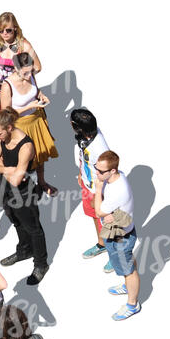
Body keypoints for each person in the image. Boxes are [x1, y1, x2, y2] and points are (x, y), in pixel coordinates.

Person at [0, 108, 49, 285]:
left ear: (9, 127)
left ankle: (41, 264)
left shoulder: (26, 146)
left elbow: (16, 180)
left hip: (25, 191)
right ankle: (24, 250)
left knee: (34, 228)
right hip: (7, 187)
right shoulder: (2, 137)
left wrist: (0, 167)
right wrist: (6, 169)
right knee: (16, 220)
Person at [0, 52, 58, 196]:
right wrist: (29, 107)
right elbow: (6, 113)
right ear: (15, 68)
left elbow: (36, 91)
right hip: (19, 126)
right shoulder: (7, 86)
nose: (29, 75)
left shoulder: (30, 75)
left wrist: (41, 95)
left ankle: (42, 182)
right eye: (25, 72)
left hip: (36, 121)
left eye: (31, 71)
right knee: (22, 159)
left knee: (39, 154)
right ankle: (22, 190)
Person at [93, 150, 141, 320]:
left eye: (100, 171)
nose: (96, 173)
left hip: (120, 238)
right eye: (96, 168)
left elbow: (98, 211)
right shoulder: (116, 176)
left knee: (129, 272)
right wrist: (109, 212)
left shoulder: (116, 191)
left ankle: (132, 304)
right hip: (122, 232)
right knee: (128, 266)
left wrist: (98, 191)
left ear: (112, 170)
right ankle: (128, 287)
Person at [71, 108, 113, 272]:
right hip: (87, 184)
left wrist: (100, 193)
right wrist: (81, 172)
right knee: (95, 217)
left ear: (77, 127)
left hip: (99, 190)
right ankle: (102, 245)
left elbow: (109, 172)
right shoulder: (87, 135)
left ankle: (114, 256)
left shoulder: (101, 150)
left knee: (107, 222)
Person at [0, 12, 42, 113]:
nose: (4, 33)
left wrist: (21, 76)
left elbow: (37, 67)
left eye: (8, 30)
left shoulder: (24, 45)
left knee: (16, 124)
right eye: (1, 30)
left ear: (15, 28)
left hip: (18, 92)